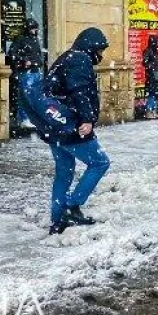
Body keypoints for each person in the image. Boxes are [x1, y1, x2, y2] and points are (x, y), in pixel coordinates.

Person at [41, 28, 111, 235]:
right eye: (100, 49)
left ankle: (57, 219)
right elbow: (79, 91)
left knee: (64, 172)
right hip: (72, 125)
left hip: (55, 125)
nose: (101, 55)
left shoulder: (66, 58)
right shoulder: (80, 59)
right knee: (100, 163)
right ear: (92, 47)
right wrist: (87, 119)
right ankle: (71, 206)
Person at [8, 18, 44, 128]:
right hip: (26, 72)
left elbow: (37, 54)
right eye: (33, 28)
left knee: (33, 96)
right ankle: (24, 119)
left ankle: (28, 118)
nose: (35, 30)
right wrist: (23, 60)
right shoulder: (21, 39)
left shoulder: (34, 39)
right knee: (26, 96)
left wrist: (39, 63)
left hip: (35, 70)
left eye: (35, 28)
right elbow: (12, 53)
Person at [142, 35, 158, 119]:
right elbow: (144, 63)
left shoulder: (155, 52)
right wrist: (152, 67)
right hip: (152, 76)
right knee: (152, 94)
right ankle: (149, 112)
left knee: (156, 94)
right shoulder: (148, 51)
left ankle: (154, 111)